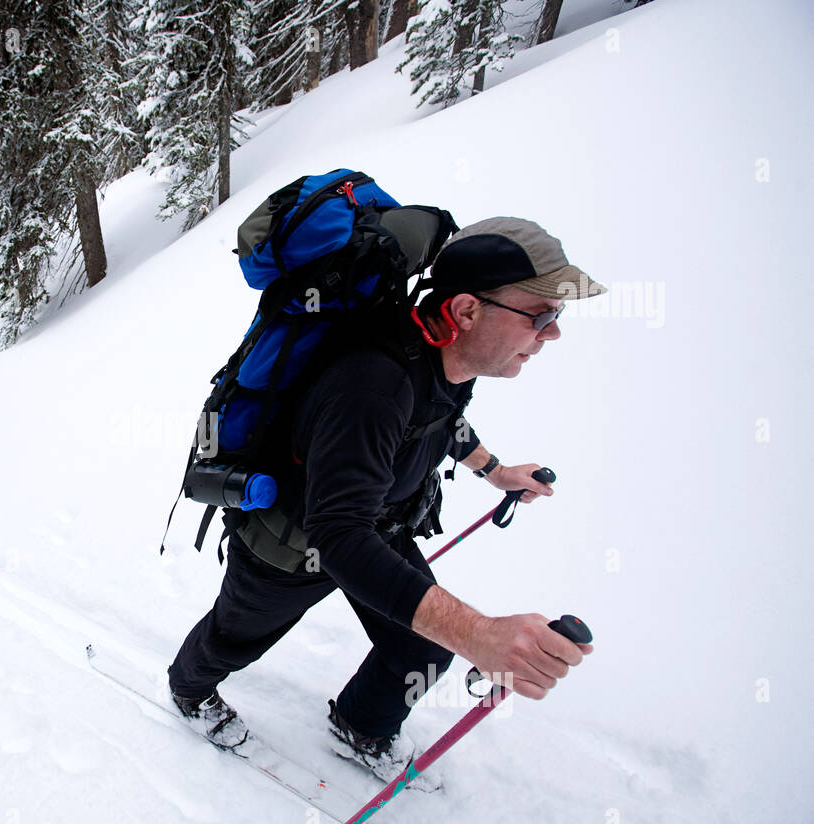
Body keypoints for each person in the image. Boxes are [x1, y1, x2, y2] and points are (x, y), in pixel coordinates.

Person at [166, 217, 604, 778]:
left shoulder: (443, 352)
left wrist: (495, 472)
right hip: (293, 544)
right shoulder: (372, 384)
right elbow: (338, 535)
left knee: (419, 650)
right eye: (542, 316)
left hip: (377, 526)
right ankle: (188, 689)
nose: (552, 334)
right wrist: (481, 634)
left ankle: (360, 725)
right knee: (235, 638)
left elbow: (441, 422)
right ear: (467, 311)